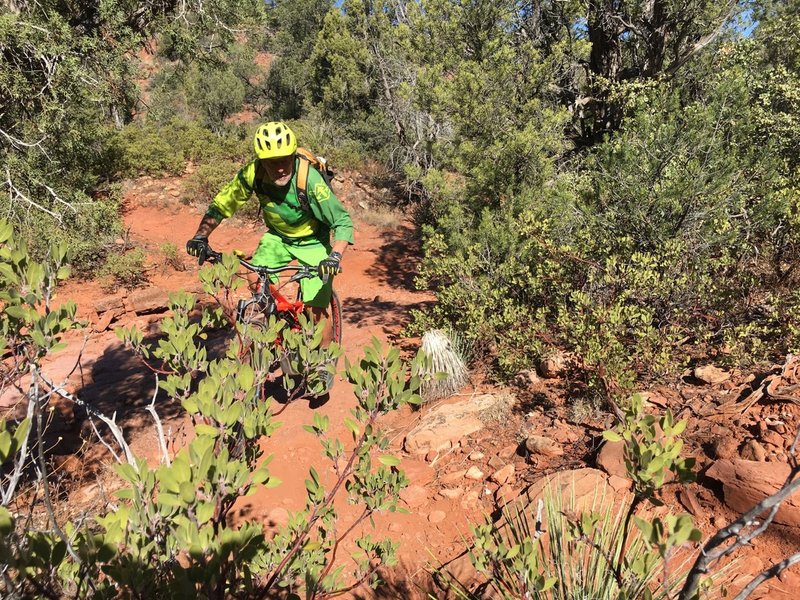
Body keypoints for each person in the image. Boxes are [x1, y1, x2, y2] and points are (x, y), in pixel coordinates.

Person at [186, 121, 353, 345]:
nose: (280, 168)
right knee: (255, 280)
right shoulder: (253, 174)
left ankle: (322, 367)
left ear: (293, 155)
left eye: (285, 159)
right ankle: (279, 324)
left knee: (315, 315)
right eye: (271, 162)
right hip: (278, 238)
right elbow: (221, 205)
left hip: (313, 241)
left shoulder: (309, 180)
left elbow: (342, 221)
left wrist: (334, 257)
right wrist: (201, 236)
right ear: (261, 160)